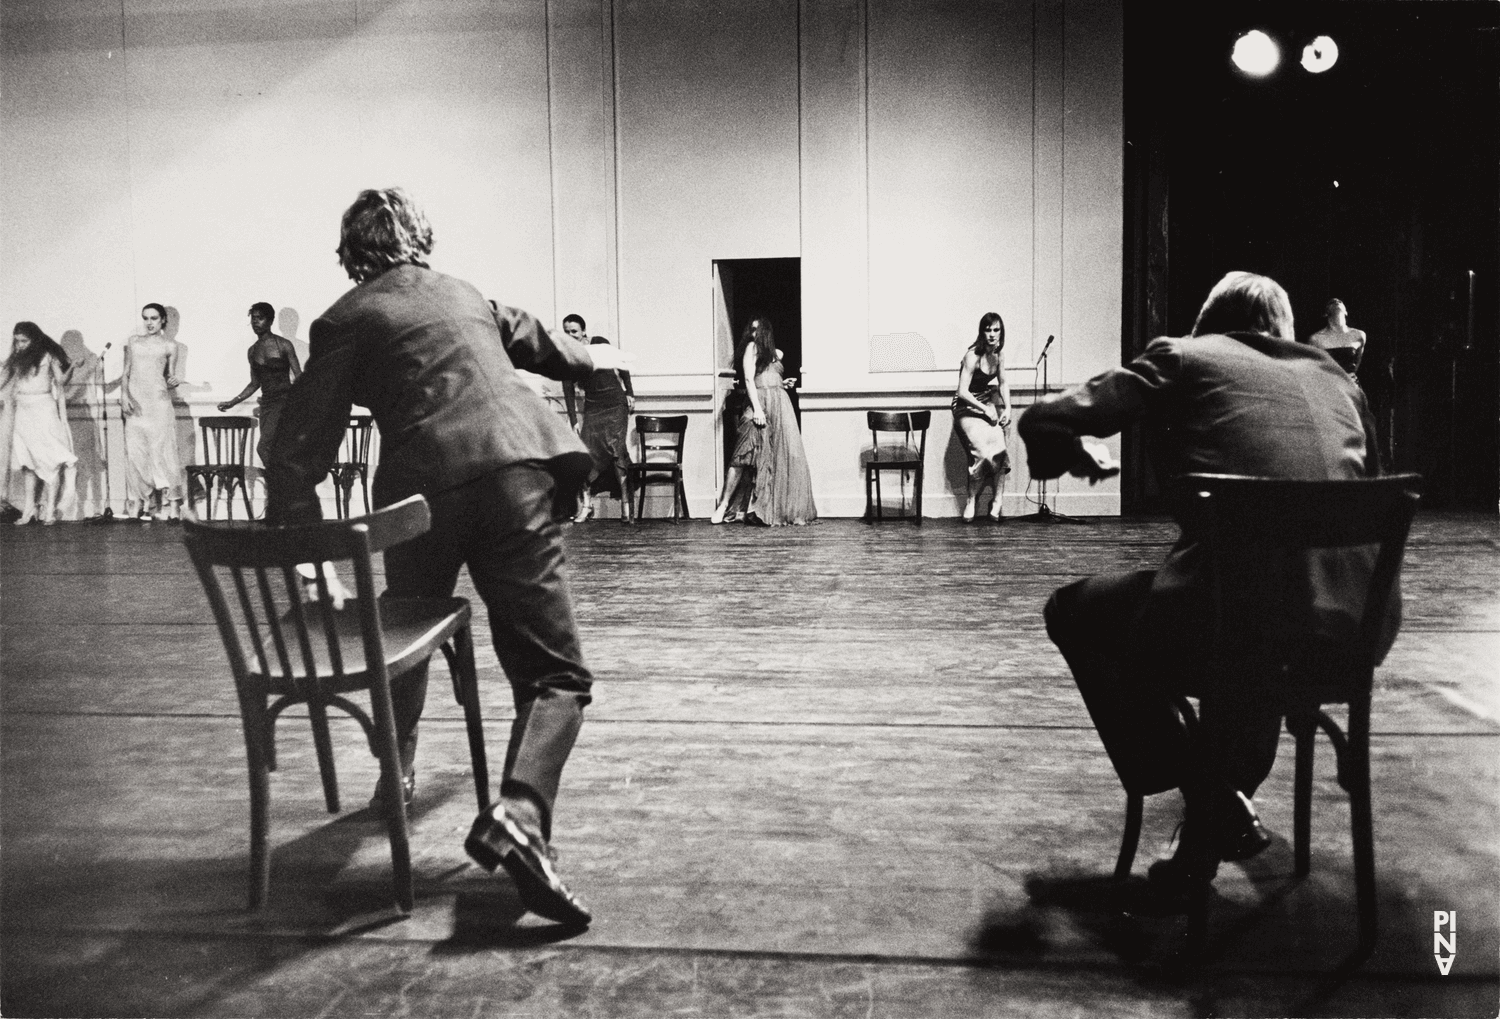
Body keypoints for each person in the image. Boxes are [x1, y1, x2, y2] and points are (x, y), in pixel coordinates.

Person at [265, 187, 628, 928]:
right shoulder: (463, 291)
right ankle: (521, 813)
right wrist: (598, 358)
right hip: (510, 474)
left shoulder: (346, 318)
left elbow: (295, 448)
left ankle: (395, 777)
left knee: (403, 639)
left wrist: (310, 555)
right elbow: (546, 344)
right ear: (420, 239)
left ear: (351, 254)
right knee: (555, 672)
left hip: (419, 500)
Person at [1020, 271, 1397, 896]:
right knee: (1248, 631)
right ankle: (1202, 843)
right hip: (1352, 628)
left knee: (1079, 611)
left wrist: (1066, 448)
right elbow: (1369, 493)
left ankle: (1211, 795)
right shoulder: (1337, 379)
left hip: (1238, 623)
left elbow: (1042, 417)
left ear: (1209, 322)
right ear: (1281, 331)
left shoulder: (1185, 356)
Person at [709, 316, 816, 526]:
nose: (754, 334)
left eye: (758, 330)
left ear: (767, 332)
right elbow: (749, 379)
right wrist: (757, 408)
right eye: (752, 330)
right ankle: (723, 505)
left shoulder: (777, 354)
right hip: (758, 404)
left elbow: (769, 377)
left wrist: (783, 383)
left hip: (779, 404)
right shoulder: (751, 348)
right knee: (742, 456)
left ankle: (770, 507)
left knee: (782, 456)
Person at [2, 322, 78, 524]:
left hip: (43, 408)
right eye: (17, 341)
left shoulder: (47, 355)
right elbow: (4, 379)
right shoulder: (17, 359)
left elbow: (61, 381)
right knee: (28, 463)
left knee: (49, 460)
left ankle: (51, 509)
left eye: (24, 341)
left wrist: (72, 367)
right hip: (23, 411)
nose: (20, 345)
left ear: (34, 339)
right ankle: (28, 510)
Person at [561, 315, 634, 524]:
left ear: (583, 331)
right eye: (566, 331)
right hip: (593, 407)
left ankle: (626, 506)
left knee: (616, 451)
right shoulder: (567, 356)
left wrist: (630, 392)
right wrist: (573, 419)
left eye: (573, 331)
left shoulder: (599, 343)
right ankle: (587, 505)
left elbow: (621, 366)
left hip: (614, 404)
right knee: (587, 455)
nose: (570, 335)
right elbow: (568, 390)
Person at [218, 302, 303, 466]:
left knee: (263, 448)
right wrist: (232, 401)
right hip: (267, 405)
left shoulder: (284, 345)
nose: (256, 322)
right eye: (253, 319)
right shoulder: (252, 351)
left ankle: (284, 485)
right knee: (273, 450)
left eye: (260, 318)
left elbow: (298, 376)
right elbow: (254, 383)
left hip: (284, 402)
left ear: (270, 321)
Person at [121, 302, 182, 521]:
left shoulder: (170, 346)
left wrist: (173, 381)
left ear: (163, 320)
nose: (149, 323)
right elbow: (126, 372)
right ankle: (138, 503)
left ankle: (173, 505)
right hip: (136, 405)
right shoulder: (134, 342)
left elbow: (170, 376)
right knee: (136, 455)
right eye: (146, 318)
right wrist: (124, 395)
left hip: (159, 404)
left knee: (164, 454)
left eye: (154, 318)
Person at [952, 312, 1013, 522]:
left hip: (985, 402)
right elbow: (962, 391)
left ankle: (997, 501)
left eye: (996, 330)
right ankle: (971, 500)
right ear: (982, 332)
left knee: (1000, 448)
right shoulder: (972, 355)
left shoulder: (999, 355)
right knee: (981, 451)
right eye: (988, 330)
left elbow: (1003, 383)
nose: (992, 334)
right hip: (966, 406)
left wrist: (1008, 407)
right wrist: (985, 409)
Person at [1308, 298, 1367, 378]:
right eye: (1331, 302)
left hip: (1350, 385)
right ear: (1325, 313)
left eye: (1340, 301)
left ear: (1346, 312)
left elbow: (1358, 362)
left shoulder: (1359, 335)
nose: (1336, 301)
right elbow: (1312, 368)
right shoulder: (1315, 339)